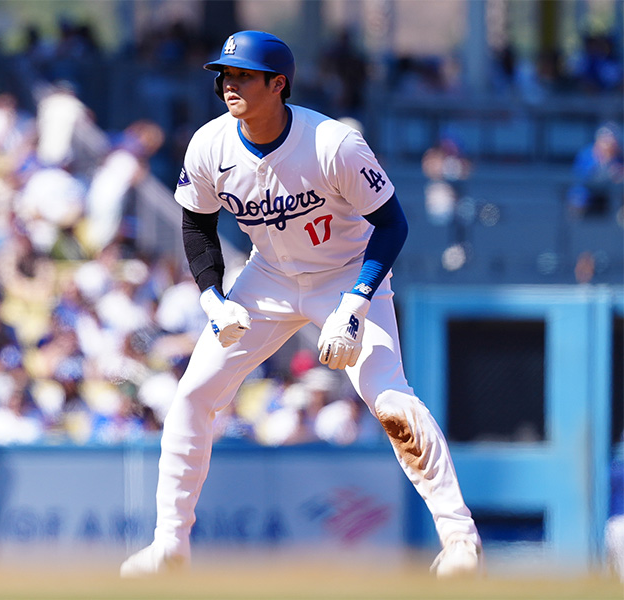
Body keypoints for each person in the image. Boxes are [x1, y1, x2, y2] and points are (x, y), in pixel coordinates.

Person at [120, 31, 482, 579]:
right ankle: (170, 546)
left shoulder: (333, 143)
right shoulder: (210, 145)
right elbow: (196, 225)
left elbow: (391, 224)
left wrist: (357, 301)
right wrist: (213, 297)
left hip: (344, 275)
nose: (229, 85)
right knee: (193, 396)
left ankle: (460, 541)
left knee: (388, 397)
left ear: (277, 83)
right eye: (225, 75)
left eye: (242, 76)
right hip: (267, 275)